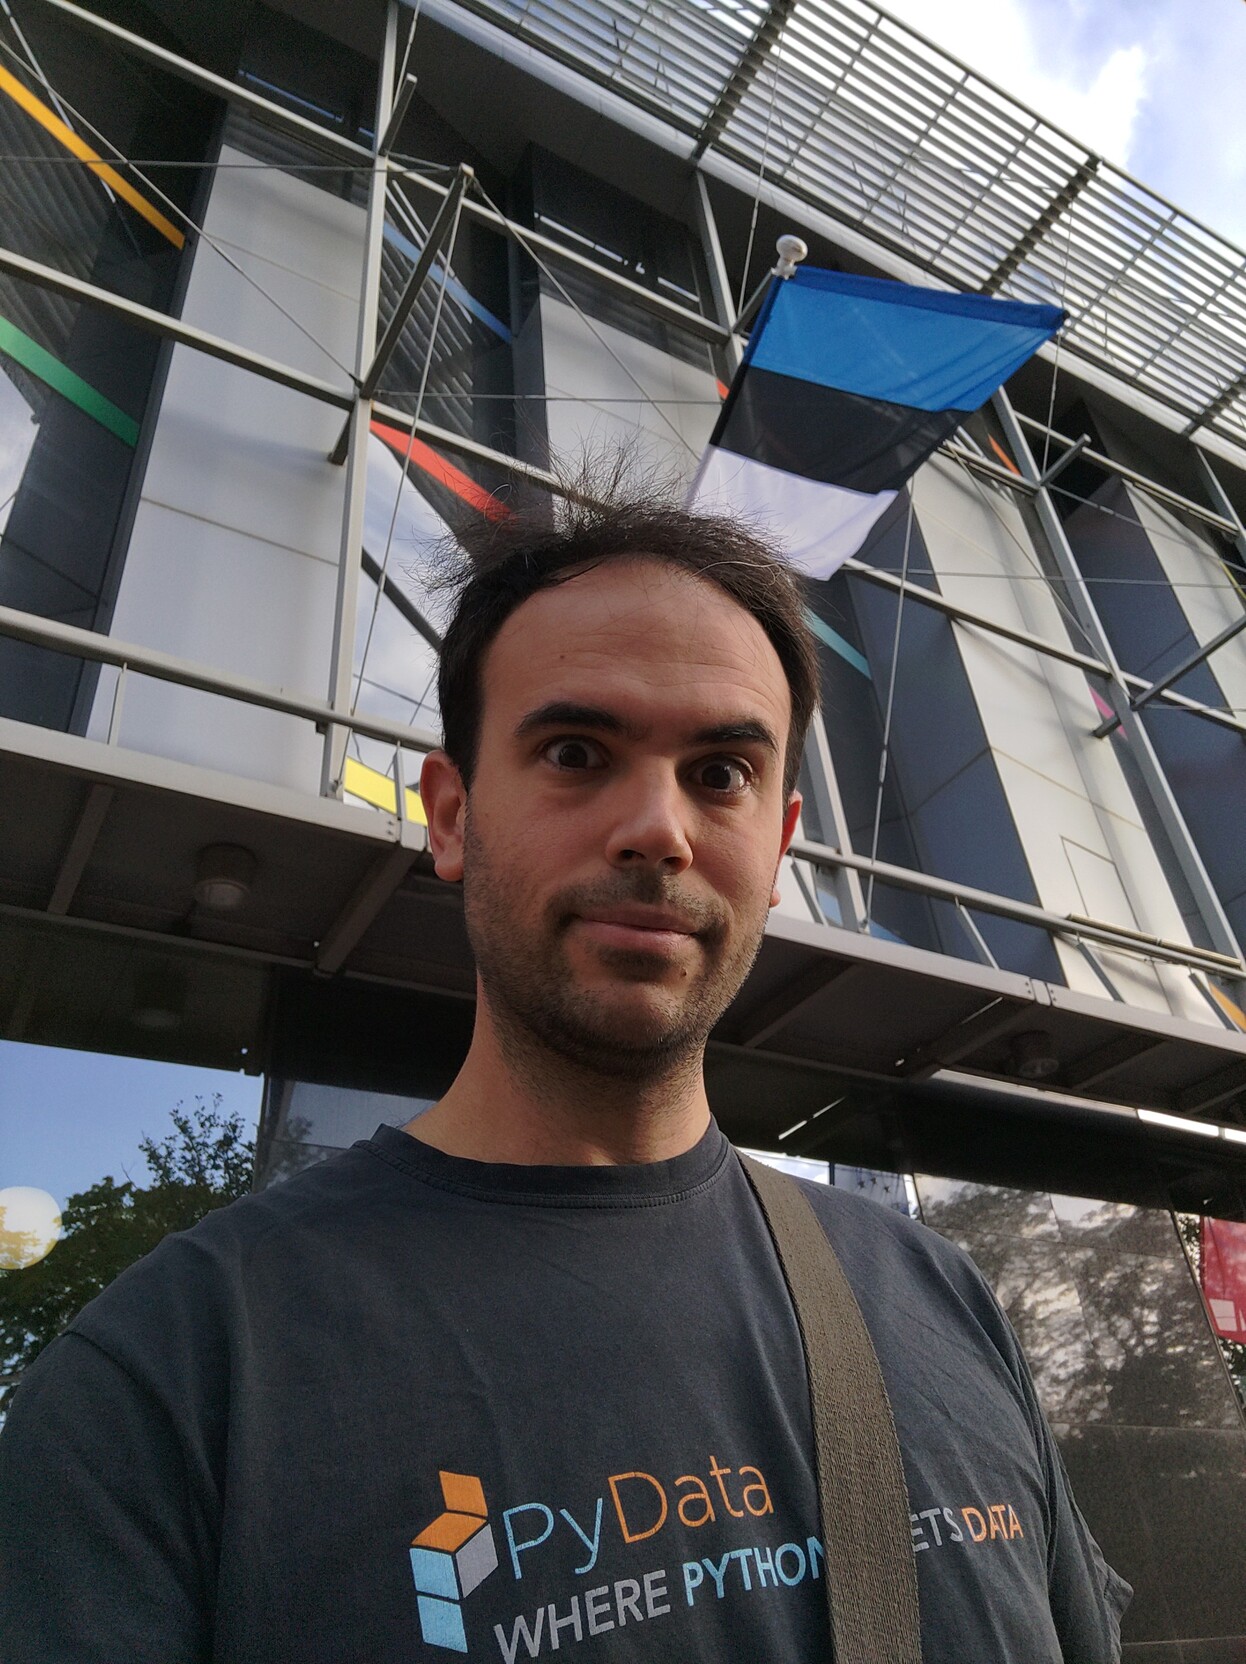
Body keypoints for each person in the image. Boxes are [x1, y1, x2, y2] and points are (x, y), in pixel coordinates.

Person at [0, 496, 1130, 1662]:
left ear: (779, 844)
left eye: (721, 770)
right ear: (450, 815)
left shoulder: (933, 1289)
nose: (657, 828)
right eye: (576, 753)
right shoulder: (170, 1379)